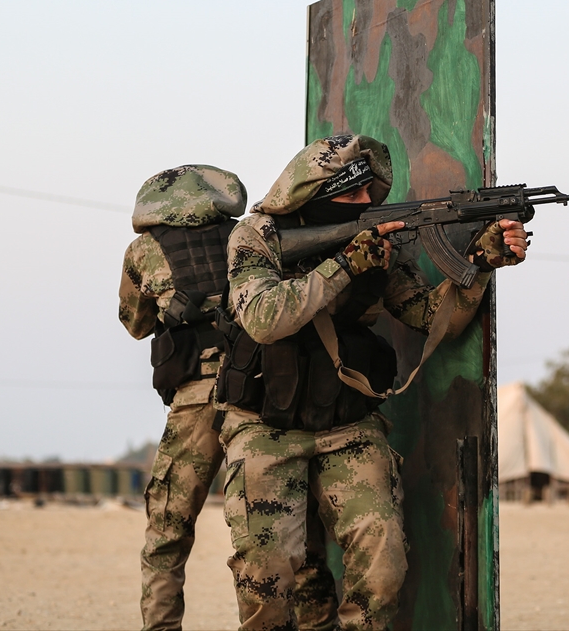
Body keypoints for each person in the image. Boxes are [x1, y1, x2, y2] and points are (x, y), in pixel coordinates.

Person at [214, 134, 529, 630]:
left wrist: (479, 266)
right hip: (264, 425)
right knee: (266, 574)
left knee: (383, 567)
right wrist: (344, 266)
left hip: (347, 423)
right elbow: (263, 319)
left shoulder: (379, 243)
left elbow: (431, 317)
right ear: (315, 193)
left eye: (370, 191)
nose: (368, 202)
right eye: (352, 193)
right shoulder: (257, 236)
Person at [118, 165, 337, 631]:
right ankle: (317, 624)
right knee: (293, 531)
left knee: (167, 532)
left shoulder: (143, 250)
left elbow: (135, 323)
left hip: (197, 398)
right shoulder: (253, 235)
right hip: (260, 394)